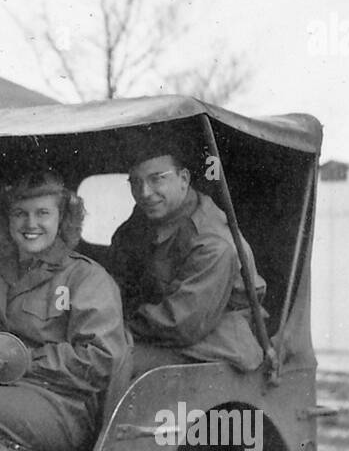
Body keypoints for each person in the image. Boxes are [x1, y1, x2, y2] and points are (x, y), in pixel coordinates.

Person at [0, 170, 130, 451]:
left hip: (59, 406)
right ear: (7, 219)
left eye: (43, 213)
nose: (31, 224)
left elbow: (100, 358)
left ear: (62, 218)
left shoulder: (85, 278)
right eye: (20, 214)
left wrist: (24, 361)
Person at [107, 137, 266, 375]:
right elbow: (118, 274)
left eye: (156, 179)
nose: (144, 193)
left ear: (183, 179)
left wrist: (114, 328)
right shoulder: (146, 218)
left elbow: (181, 324)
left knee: (108, 364)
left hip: (213, 342)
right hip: (157, 331)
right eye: (135, 183)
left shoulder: (213, 243)